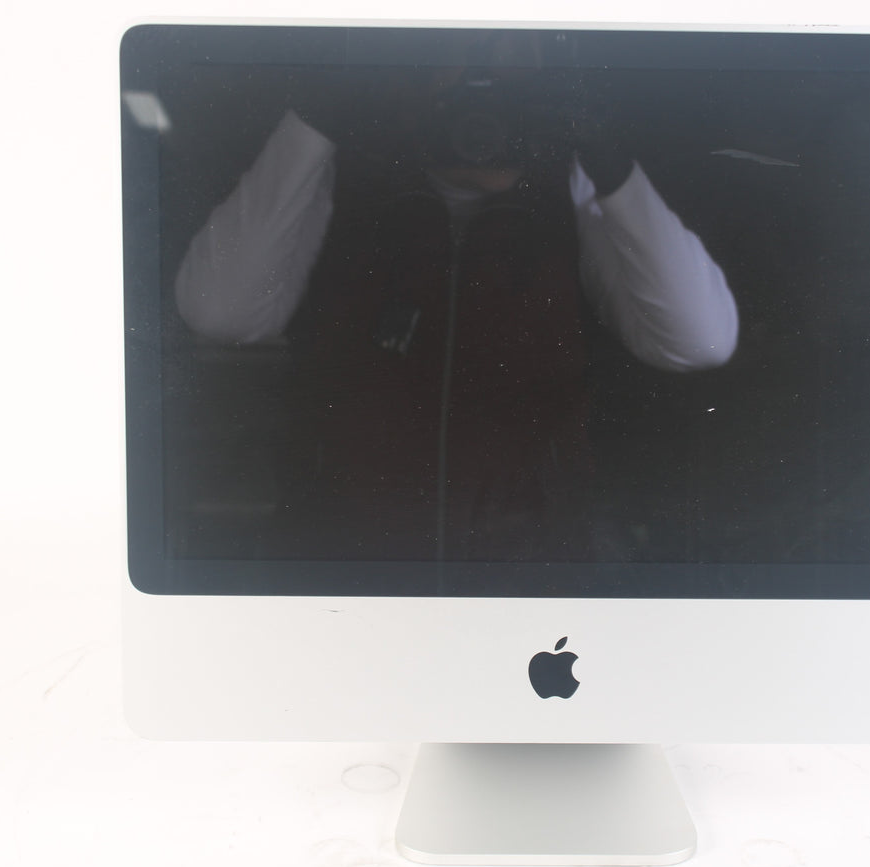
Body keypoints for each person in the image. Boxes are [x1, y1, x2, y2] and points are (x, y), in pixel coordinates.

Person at [174, 60, 738, 563]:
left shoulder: (573, 194)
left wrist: (605, 159)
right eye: (457, 60)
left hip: (525, 582)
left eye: (504, 62)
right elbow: (220, 311)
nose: (480, 94)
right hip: (346, 577)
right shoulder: (340, 186)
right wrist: (316, 119)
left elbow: (701, 340)